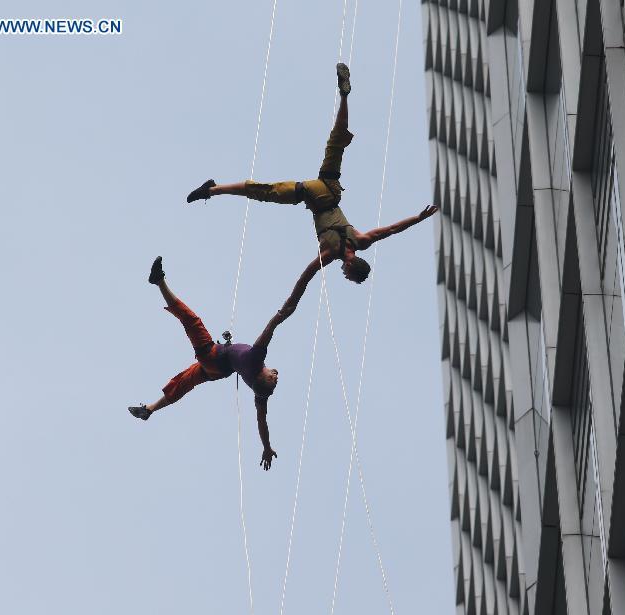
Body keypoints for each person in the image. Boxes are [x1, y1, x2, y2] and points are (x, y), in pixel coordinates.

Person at [186, 62, 438, 283]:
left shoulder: (363, 241)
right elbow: (305, 277)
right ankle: (212, 189)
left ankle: (345, 97)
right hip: (314, 194)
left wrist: (419, 218)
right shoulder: (333, 253)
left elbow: (392, 230)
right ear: (352, 266)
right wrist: (286, 309)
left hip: (330, 186)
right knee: (264, 191)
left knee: (337, 141)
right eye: (348, 275)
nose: (343, 275)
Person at [128, 256, 314, 471]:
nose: (277, 377)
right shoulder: (259, 393)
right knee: (184, 382)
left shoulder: (257, 358)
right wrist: (266, 446)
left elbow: (271, 326)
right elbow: (261, 422)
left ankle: (159, 281)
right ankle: (150, 409)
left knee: (191, 321)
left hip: (214, 357)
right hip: (216, 372)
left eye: (274, 380)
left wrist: (285, 311)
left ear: (263, 377)